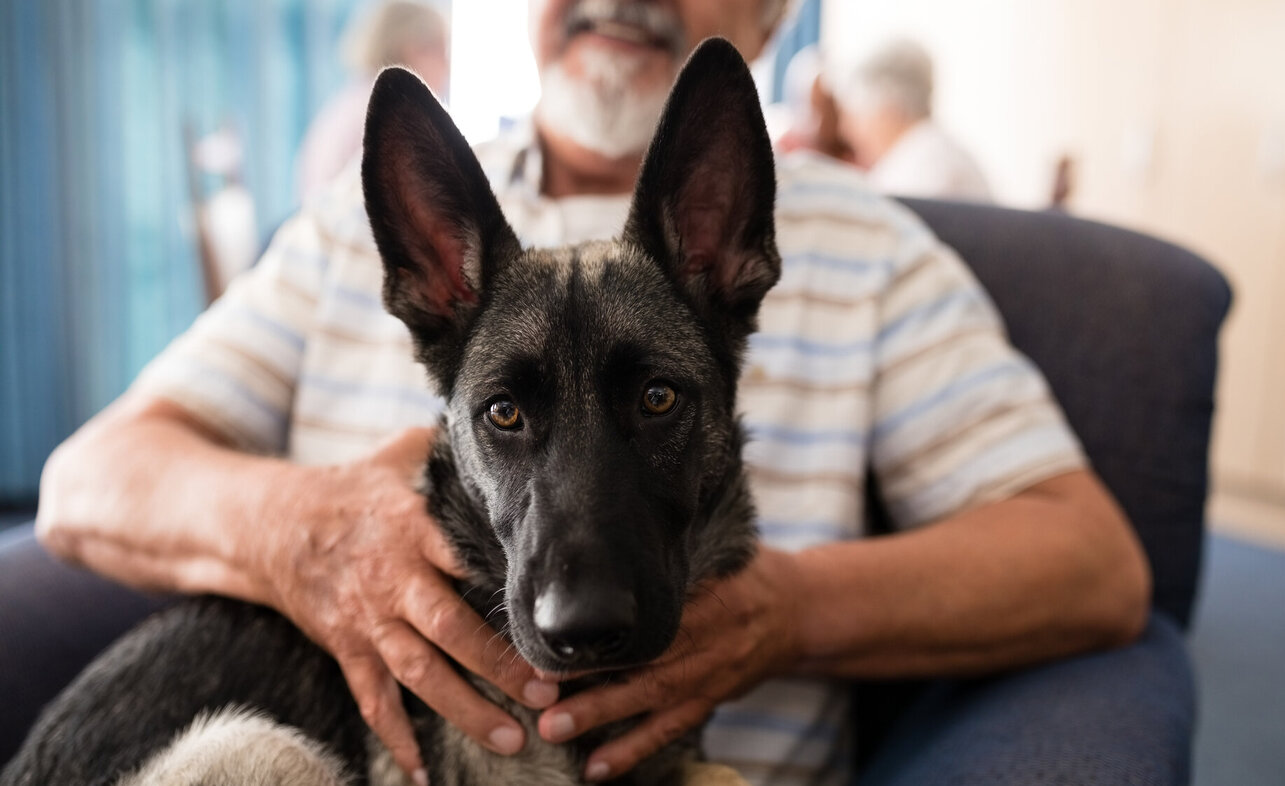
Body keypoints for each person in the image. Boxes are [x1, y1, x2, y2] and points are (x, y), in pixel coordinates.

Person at [22, 1, 1154, 784]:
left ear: (767, 19)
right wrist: (299, 532)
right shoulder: (340, 233)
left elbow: (1096, 566)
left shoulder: (877, 249)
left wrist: (792, 609)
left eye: (657, 399)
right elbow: (83, 485)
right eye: (503, 415)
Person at [295, 0, 450, 202]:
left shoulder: (353, 98)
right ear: (413, 50)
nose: (447, 67)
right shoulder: (389, 107)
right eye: (442, 52)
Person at [836, 38, 994, 202]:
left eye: (855, 116)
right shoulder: (938, 153)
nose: (846, 131)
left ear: (888, 110)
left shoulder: (915, 173)